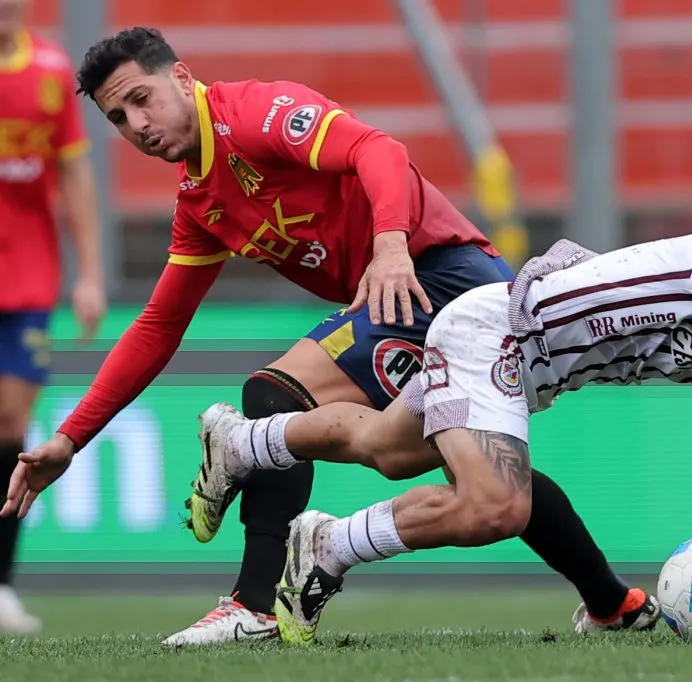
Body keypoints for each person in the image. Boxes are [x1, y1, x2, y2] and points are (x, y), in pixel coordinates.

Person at [0, 26, 658, 645]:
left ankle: (253, 603)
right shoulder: (201, 202)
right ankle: (611, 604)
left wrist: (392, 245)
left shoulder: (255, 114)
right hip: (409, 294)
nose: (137, 126)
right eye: (119, 118)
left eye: (141, 100)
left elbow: (378, 150)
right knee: (478, 474)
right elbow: (159, 326)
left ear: (180, 76)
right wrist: (69, 439)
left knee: (272, 394)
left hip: (444, 280)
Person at [171, 175, 692, 643]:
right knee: (498, 506)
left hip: (532, 371)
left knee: (385, 445)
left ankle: (246, 442)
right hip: (497, 330)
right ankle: (332, 547)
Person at [0, 0, 106, 633]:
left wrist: (89, 273)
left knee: (11, 423)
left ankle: (3, 586)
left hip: (29, 273)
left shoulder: (49, 70)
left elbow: (73, 174)